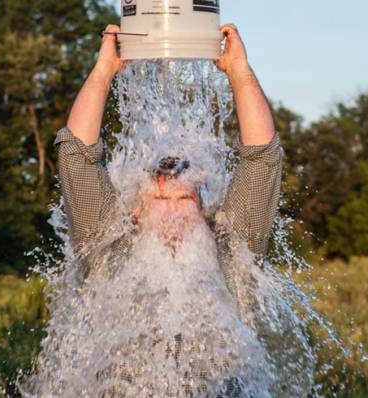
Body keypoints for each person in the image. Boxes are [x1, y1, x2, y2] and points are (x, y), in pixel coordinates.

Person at [55, 23, 282, 397]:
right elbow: (76, 156)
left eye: (182, 201)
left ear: (204, 207)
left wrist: (239, 71)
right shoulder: (106, 250)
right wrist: (103, 71)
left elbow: (262, 160)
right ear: (136, 213)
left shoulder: (232, 252)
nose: (172, 214)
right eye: (160, 202)